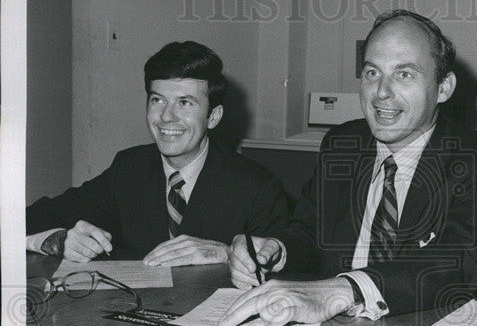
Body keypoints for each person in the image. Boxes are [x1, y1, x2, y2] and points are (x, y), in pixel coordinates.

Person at [221, 10, 477, 326]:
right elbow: (310, 232)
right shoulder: (342, 144)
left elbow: (459, 266)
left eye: (404, 75)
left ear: (443, 87)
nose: (382, 92)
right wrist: (278, 249)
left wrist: (347, 290)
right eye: (372, 73)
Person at [26, 41, 289, 264]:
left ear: (213, 116)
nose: (166, 116)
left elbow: (293, 263)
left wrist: (228, 254)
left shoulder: (256, 186)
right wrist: (59, 241)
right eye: (157, 100)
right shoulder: (129, 168)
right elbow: (30, 218)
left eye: (184, 103)